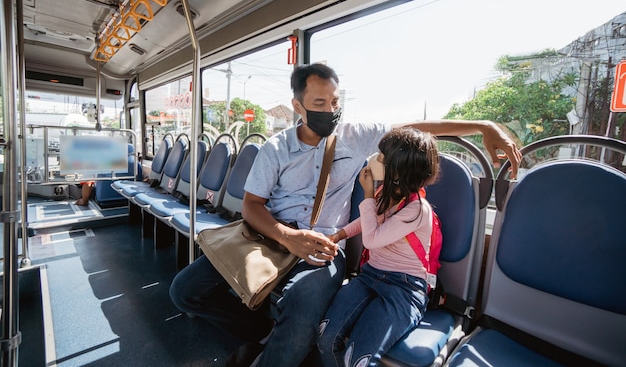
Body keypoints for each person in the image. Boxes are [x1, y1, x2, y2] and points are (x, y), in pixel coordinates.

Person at [169, 63, 522, 367]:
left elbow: (417, 128)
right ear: (298, 105)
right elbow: (251, 206)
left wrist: (483, 126)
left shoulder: (355, 137)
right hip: (272, 236)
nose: (330, 109)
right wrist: (288, 237)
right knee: (185, 291)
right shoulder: (276, 149)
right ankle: (260, 332)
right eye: (319, 103)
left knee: (302, 310)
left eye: (335, 101)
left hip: (326, 243)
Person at [318, 127, 439, 367]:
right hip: (370, 276)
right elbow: (369, 219)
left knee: (358, 359)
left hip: (403, 287)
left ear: (399, 170)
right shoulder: (386, 192)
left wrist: (368, 193)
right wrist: (339, 234)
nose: (375, 159)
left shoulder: (417, 210)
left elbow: (371, 238)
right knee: (325, 336)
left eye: (382, 156)